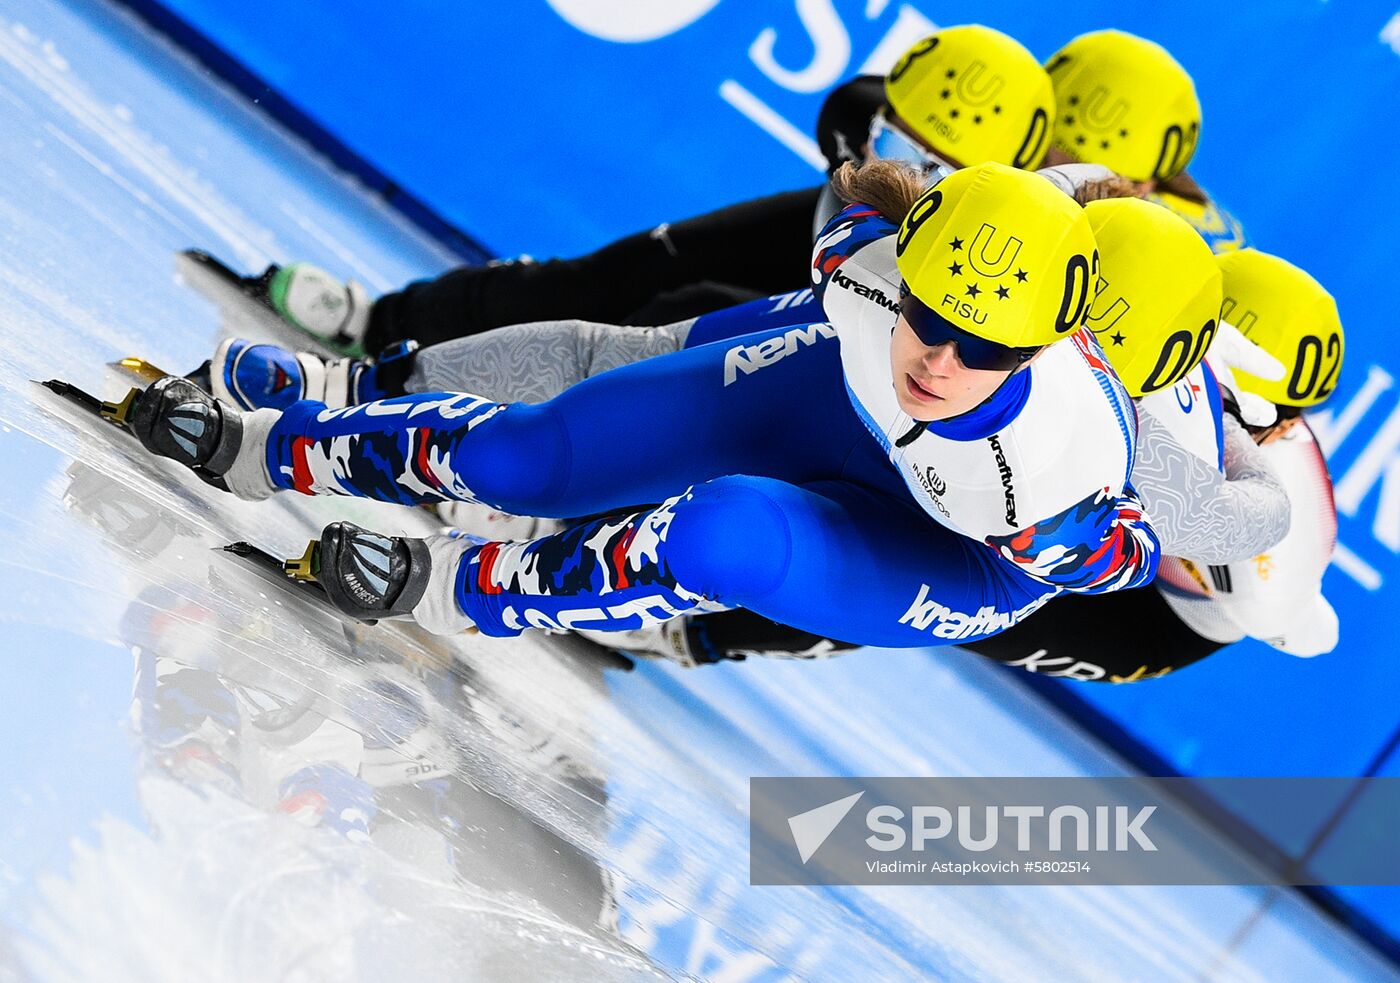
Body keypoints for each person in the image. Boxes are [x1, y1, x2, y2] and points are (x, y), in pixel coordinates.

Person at [186, 171, 1287, 669]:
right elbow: (860, 197)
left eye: (995, 345)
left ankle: (464, 591)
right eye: (937, 315)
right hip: (831, 403)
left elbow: (1240, 528)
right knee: (540, 444)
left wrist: (1139, 534)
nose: (946, 357)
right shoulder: (876, 270)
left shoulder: (1093, 458)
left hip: (958, 544)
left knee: (724, 532)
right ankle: (311, 432)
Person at [195, 25, 1058, 355]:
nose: (901, 163)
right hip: (820, 233)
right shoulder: (859, 120)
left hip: (882, 307)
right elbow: (852, 105)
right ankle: (381, 324)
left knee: (684, 327)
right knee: (603, 278)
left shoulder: (992, 256)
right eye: (896, 140)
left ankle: (538, 474)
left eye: (935, 167)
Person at [1042, 29, 1250, 253]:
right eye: (1042, 159)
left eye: (1088, 188)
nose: (1049, 182)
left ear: (1144, 187)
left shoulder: (1178, 247)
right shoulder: (1149, 166)